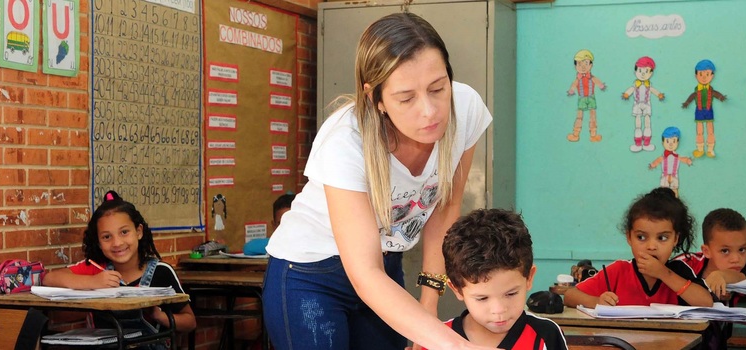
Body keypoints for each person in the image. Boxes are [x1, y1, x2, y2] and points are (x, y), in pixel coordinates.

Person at [262, 12, 493, 350]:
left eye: (438, 88)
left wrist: (428, 307)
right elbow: (364, 274)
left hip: (385, 264)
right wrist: (458, 346)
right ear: (376, 99)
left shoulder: (466, 107)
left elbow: (446, 208)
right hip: (310, 275)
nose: (429, 111)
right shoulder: (344, 140)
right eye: (406, 98)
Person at [43, 191, 196, 343]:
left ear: (138, 232)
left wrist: (160, 316)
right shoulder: (97, 268)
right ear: (98, 242)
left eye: (124, 232)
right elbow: (49, 278)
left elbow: (190, 322)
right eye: (107, 237)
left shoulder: (162, 271)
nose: (117, 243)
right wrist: (93, 282)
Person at [423, 209, 566, 349]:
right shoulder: (437, 340)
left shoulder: (546, 335)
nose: (499, 310)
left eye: (511, 294)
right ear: (457, 288)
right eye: (482, 298)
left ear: (529, 277)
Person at [563, 187, 714, 308]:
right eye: (641, 237)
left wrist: (663, 273)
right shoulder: (619, 270)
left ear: (676, 239)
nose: (651, 246)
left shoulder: (679, 270)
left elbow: (706, 302)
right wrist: (597, 302)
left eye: (662, 238)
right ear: (629, 237)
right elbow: (570, 296)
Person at [674, 208, 746, 303]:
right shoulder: (686, 262)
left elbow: (741, 279)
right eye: (725, 251)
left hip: (723, 318)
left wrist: (721, 275)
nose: (736, 259)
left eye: (742, 249)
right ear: (706, 251)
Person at [681, 59, 727, 158]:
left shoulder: (711, 90)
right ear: (696, 76)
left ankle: (710, 149)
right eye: (701, 74)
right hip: (699, 111)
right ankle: (700, 149)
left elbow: (716, 94)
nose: (704, 77)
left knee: (710, 130)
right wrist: (687, 103)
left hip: (709, 110)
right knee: (699, 130)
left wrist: (721, 97)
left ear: (712, 76)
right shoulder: (697, 91)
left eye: (707, 74)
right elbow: (692, 97)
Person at [622, 56, 665, 152]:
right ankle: (637, 143)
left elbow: (652, 90)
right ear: (635, 71)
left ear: (651, 73)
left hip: (647, 105)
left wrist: (659, 94)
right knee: (637, 124)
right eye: (640, 71)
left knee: (647, 123)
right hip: (637, 104)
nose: (642, 74)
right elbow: (632, 89)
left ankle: (646, 143)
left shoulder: (648, 84)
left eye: (646, 71)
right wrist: (626, 94)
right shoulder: (635, 84)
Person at [566, 49, 607, 142]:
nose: (583, 67)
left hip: (591, 97)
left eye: (586, 63)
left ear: (591, 65)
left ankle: (593, 135)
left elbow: (596, 81)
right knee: (579, 116)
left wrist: (601, 85)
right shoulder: (578, 78)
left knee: (592, 116)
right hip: (581, 99)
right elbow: (574, 84)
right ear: (575, 66)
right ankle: (576, 134)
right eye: (579, 64)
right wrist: (571, 90)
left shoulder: (591, 77)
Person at [648, 126, 692, 196]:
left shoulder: (677, 156)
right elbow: (658, 160)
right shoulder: (663, 156)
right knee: (663, 192)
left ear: (677, 142)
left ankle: (676, 203)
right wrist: (653, 165)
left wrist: (687, 160)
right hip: (664, 176)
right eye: (667, 141)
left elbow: (682, 159)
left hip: (674, 176)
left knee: (675, 191)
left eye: (674, 141)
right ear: (663, 143)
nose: (671, 144)